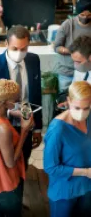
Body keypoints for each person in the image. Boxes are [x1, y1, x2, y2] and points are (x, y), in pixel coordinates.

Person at [0, 25, 42, 215]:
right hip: (2, 127)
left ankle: (15, 201)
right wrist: (7, 109)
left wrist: (35, 128)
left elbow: (34, 94)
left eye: (24, 49)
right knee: (5, 167)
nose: (19, 53)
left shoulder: (34, 60)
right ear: (6, 44)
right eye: (15, 49)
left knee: (22, 165)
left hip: (26, 125)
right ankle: (5, 202)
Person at [0, 79, 33, 217]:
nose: (19, 102)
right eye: (16, 100)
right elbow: (10, 163)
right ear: (6, 102)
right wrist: (24, 131)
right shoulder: (3, 128)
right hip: (4, 181)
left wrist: (10, 113)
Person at [44, 81, 91, 217]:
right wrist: (86, 172)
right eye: (77, 108)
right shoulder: (57, 130)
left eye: (86, 108)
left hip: (87, 188)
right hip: (65, 193)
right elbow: (51, 168)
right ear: (68, 101)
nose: (82, 113)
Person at [54, 0, 91, 93]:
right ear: (77, 12)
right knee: (66, 97)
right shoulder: (68, 25)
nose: (85, 17)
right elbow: (56, 46)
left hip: (86, 71)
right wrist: (72, 51)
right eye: (82, 14)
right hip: (66, 71)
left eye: (89, 15)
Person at [57, 36, 91, 109]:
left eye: (78, 62)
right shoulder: (80, 71)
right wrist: (70, 103)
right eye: (74, 61)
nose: (75, 65)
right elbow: (75, 93)